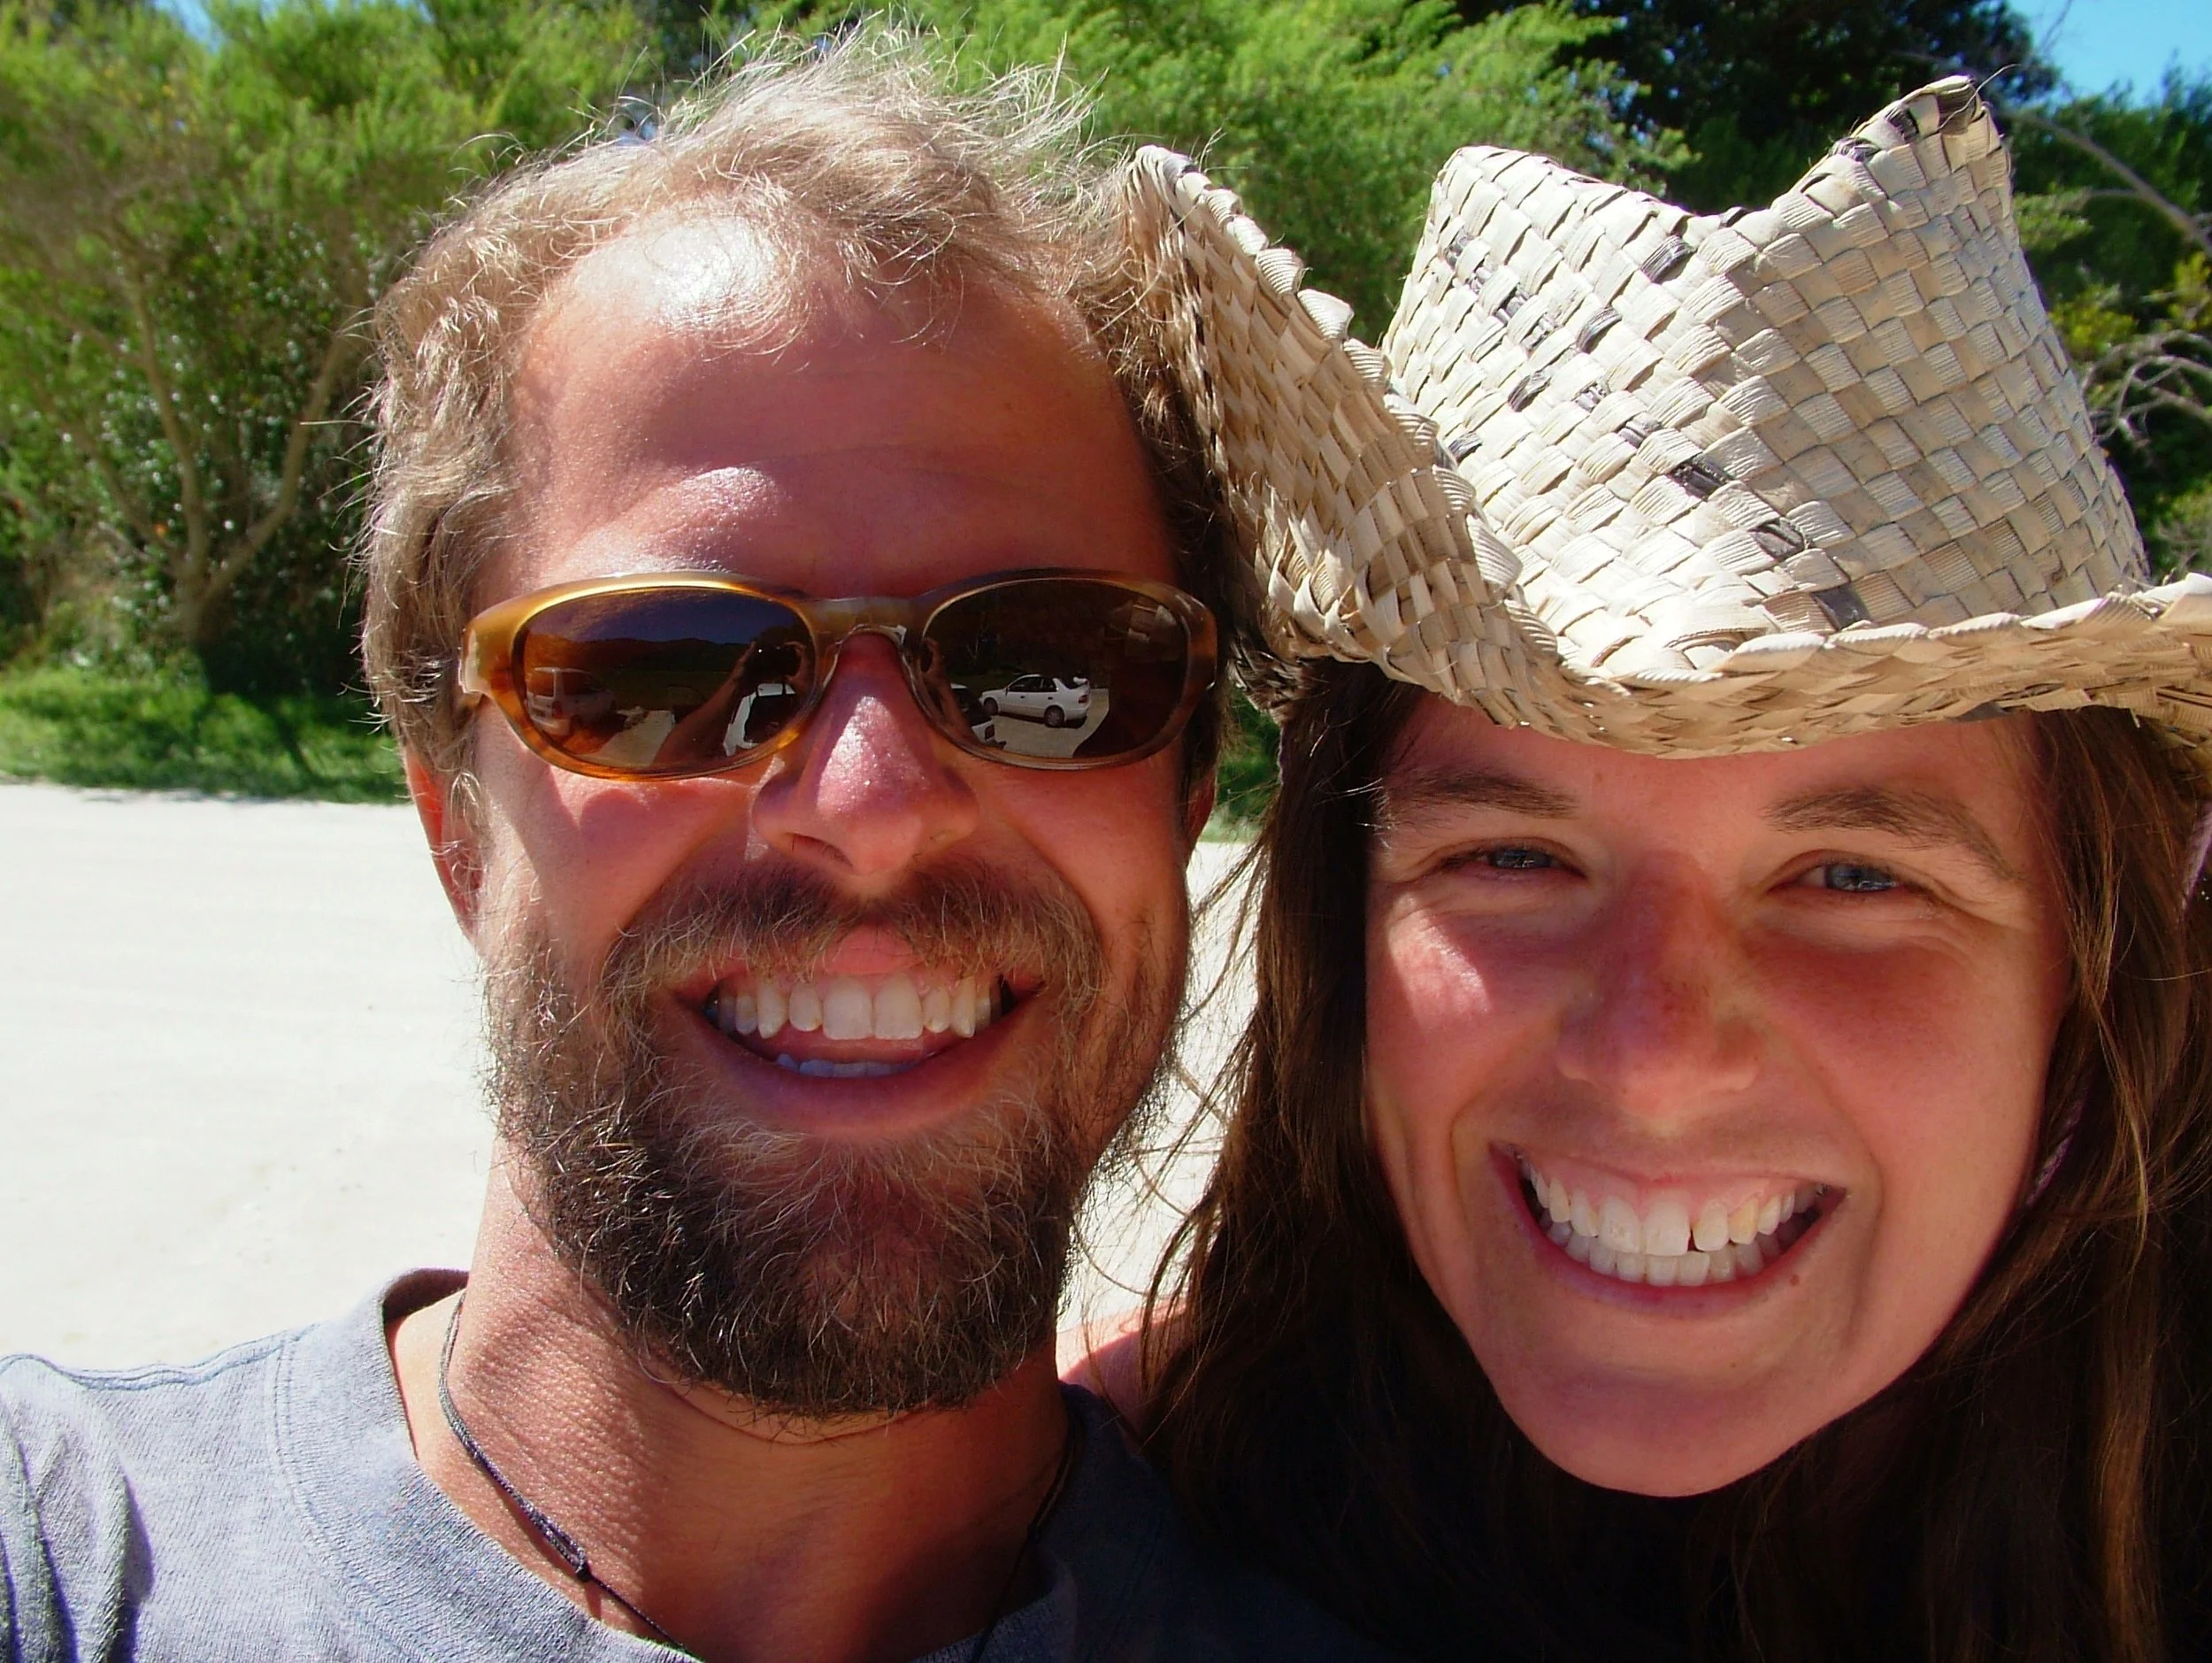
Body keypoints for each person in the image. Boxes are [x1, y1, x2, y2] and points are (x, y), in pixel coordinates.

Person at [0, 37, 1389, 1663]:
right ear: (455, 818)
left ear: (1186, 786)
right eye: (665, 669)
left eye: (1051, 668)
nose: (871, 803)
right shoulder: (67, 1563)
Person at [1109, 79, 2212, 1659]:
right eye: (1513, 854)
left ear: (2090, 970)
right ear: (1339, 924)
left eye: (1852, 878)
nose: (1652, 1057)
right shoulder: (1100, 1518)